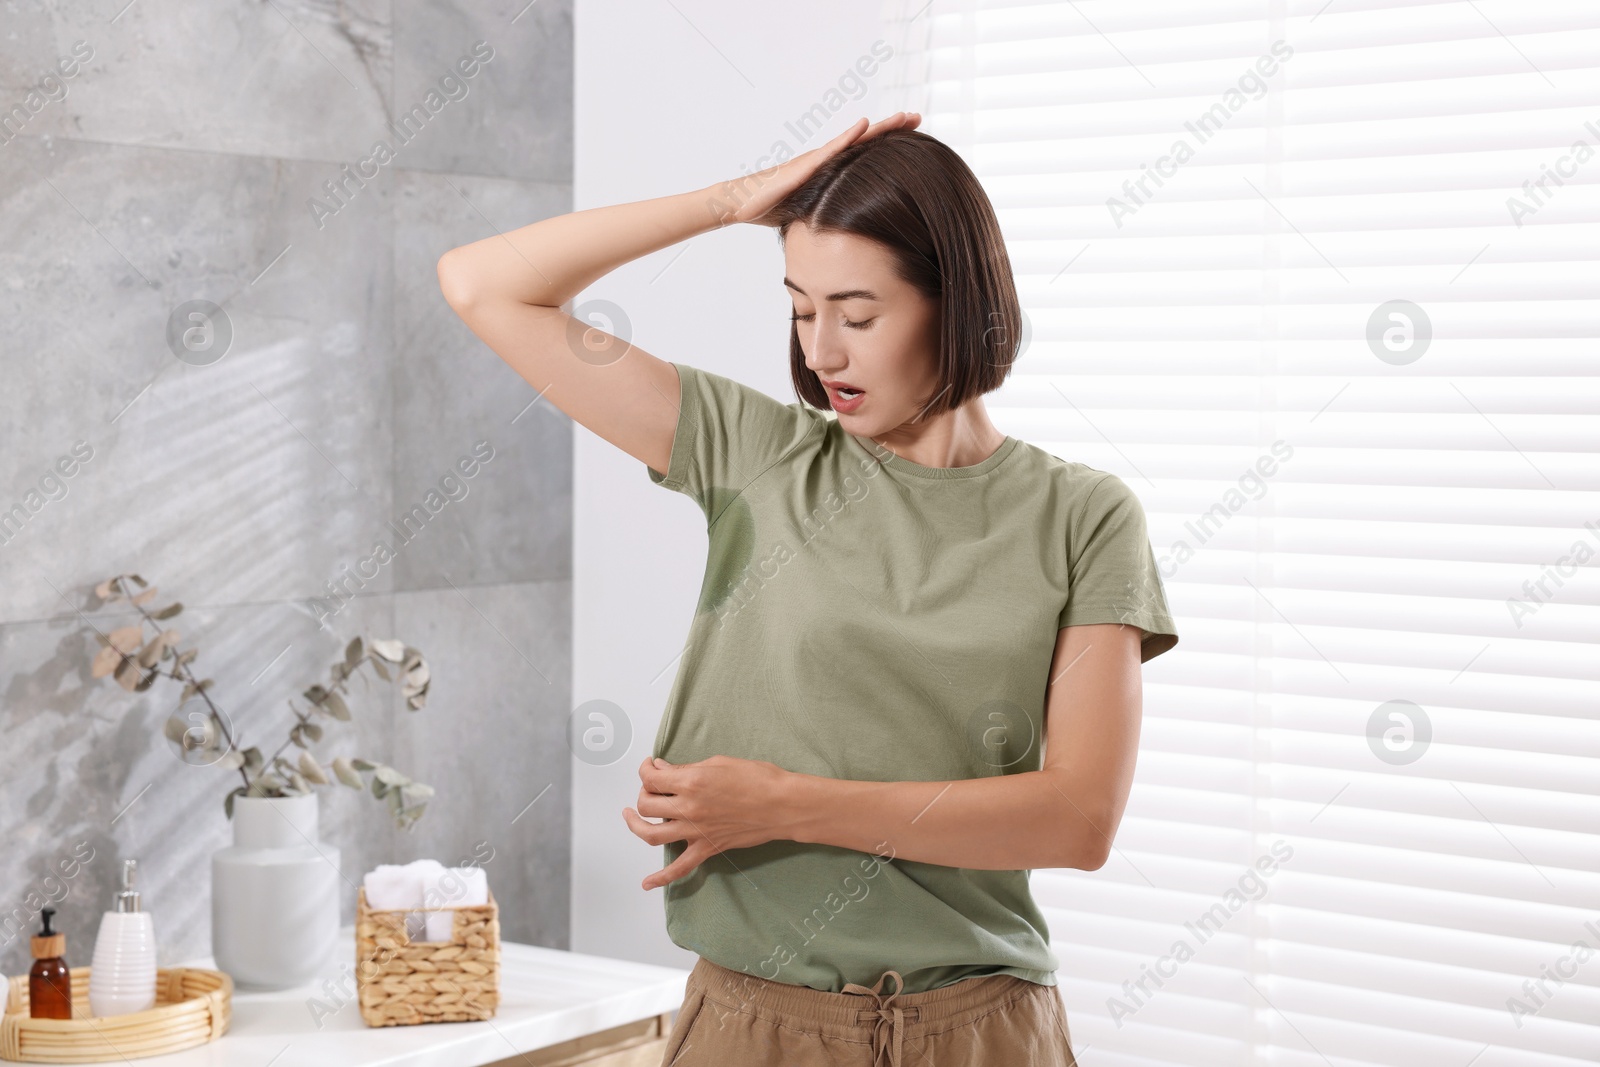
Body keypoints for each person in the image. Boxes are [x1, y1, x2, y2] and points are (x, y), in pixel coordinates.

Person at [438, 111, 1178, 1067]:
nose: (822, 352)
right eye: (800, 307)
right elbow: (484, 285)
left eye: (858, 315)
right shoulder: (758, 456)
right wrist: (731, 202)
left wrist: (786, 804)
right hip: (758, 1031)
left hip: (986, 1032)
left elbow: (1078, 819)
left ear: (954, 304)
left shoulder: (1083, 515)